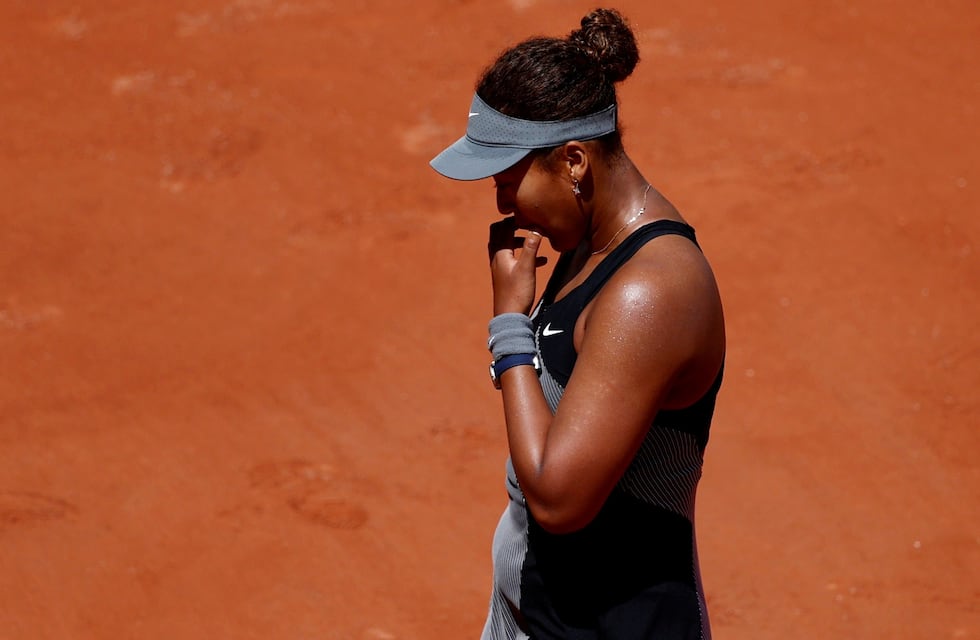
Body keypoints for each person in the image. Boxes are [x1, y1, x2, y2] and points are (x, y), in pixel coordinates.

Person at [430, 8, 726, 640]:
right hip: (534, 610)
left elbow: (559, 499)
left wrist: (509, 323)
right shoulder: (582, 239)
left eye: (509, 181)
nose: (503, 205)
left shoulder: (650, 293)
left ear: (572, 162)